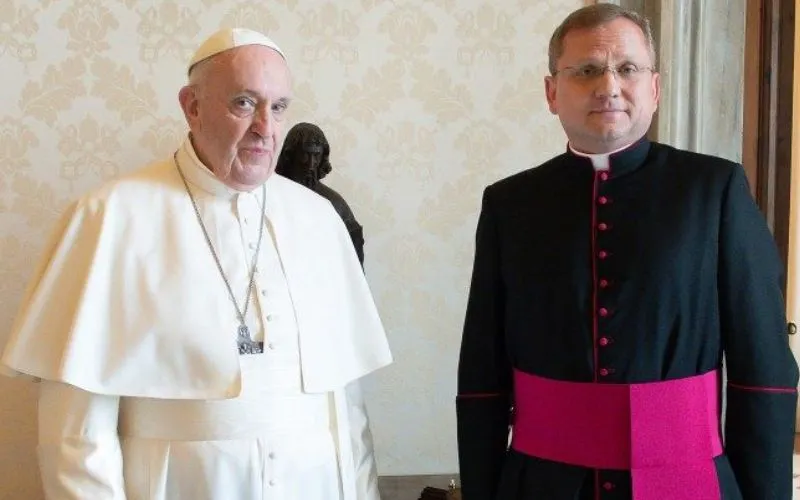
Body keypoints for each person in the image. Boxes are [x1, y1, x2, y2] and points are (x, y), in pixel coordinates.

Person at [1, 27, 392, 500]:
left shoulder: (319, 218)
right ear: (192, 105)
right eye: (244, 103)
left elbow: (346, 409)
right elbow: (74, 429)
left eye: (279, 107)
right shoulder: (110, 216)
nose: (266, 128)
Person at [456, 4, 798, 500]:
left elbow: (762, 370)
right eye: (587, 70)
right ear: (552, 92)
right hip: (541, 484)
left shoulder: (713, 190)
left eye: (628, 68)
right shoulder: (510, 204)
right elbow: (481, 378)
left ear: (654, 89)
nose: (609, 85)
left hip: (686, 480)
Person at [276, 122, 365, 266]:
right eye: (305, 155)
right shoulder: (269, 195)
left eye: (316, 156)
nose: (311, 164)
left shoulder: (333, 202)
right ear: (291, 154)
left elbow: (354, 255)